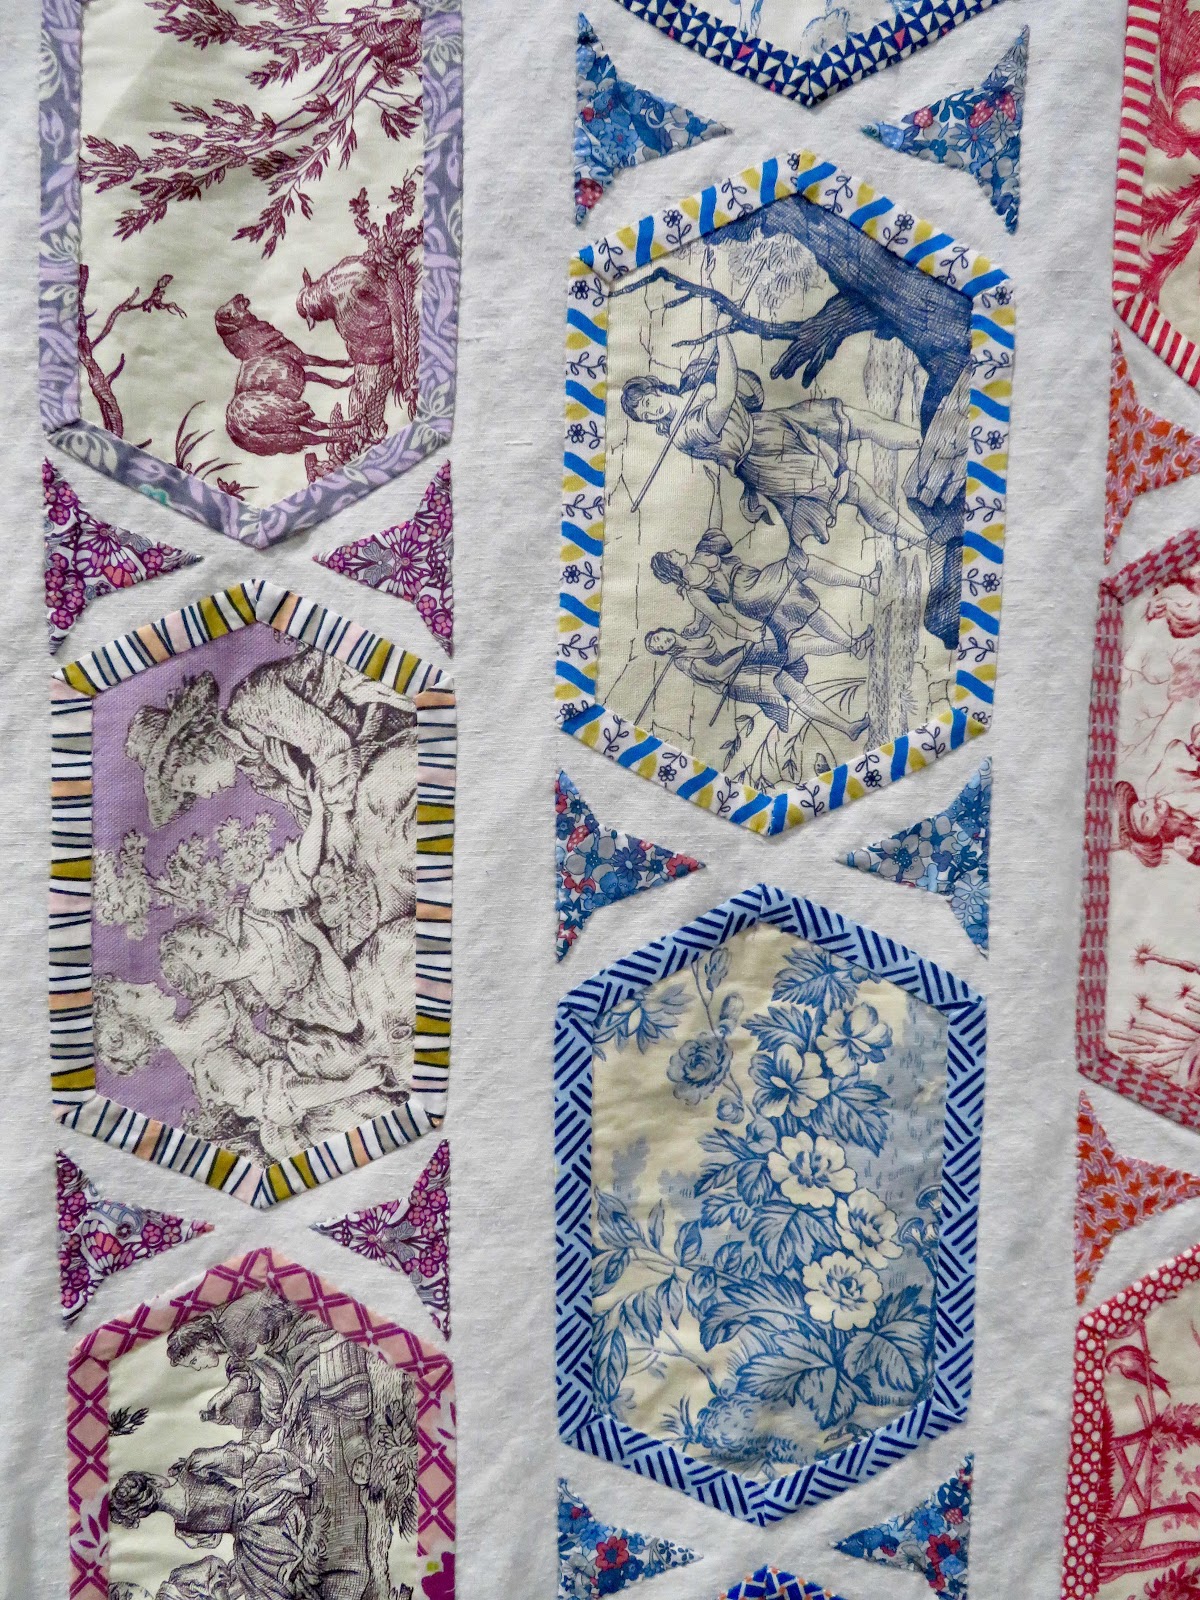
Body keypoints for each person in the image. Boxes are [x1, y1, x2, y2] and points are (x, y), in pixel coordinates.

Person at [620, 331, 928, 552]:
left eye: (647, 403)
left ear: (653, 389)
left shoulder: (691, 383)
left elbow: (738, 383)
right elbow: (724, 399)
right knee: (853, 488)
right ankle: (922, 540)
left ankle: (927, 443)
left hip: (771, 423)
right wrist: (723, 341)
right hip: (765, 459)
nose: (651, 412)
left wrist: (715, 334)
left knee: (852, 419)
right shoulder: (682, 436)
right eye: (644, 415)